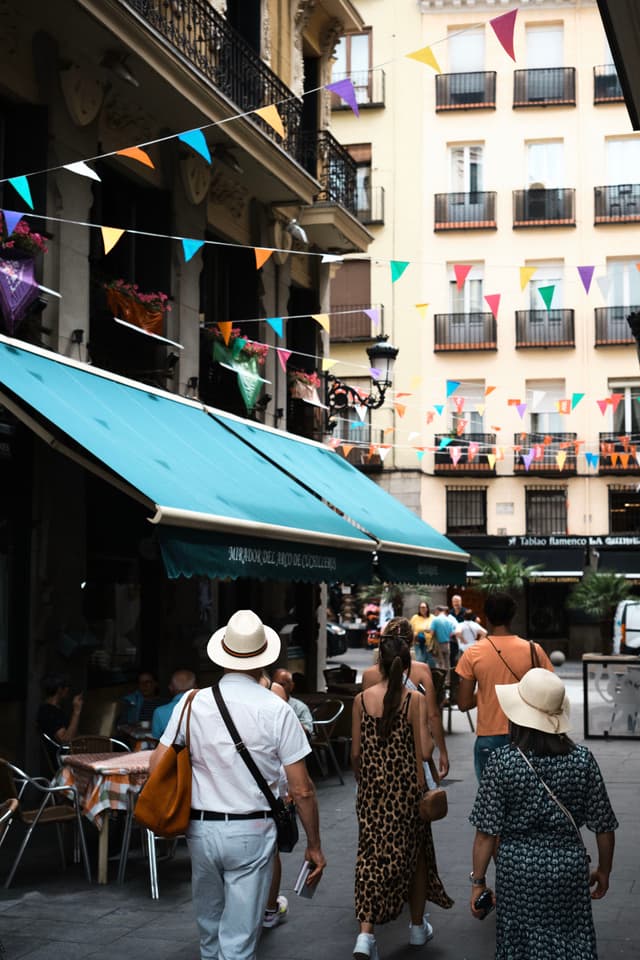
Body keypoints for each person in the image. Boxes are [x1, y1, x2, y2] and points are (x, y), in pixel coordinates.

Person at [151, 610, 326, 960]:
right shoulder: (277, 710)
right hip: (252, 829)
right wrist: (314, 844)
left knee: (210, 933)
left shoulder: (191, 702)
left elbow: (157, 764)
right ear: (262, 660)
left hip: (200, 829)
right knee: (240, 940)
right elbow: (302, 789)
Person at [469, 669, 617, 959]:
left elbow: (486, 833)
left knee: (519, 947)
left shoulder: (502, 762)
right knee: (572, 941)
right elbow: (604, 826)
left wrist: (478, 883)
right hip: (569, 872)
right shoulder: (582, 760)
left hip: (517, 874)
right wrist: (604, 870)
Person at [352, 625, 452, 960]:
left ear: (379, 660)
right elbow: (424, 751)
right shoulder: (415, 700)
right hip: (407, 791)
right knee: (417, 857)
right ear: (407, 662)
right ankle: (416, 928)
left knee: (369, 856)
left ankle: (365, 936)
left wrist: (365, 781)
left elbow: (355, 754)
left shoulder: (360, 700)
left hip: (372, 791)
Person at [455, 591, 553, 781]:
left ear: (486, 617)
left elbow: (464, 703)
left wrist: (487, 691)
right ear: (512, 616)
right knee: (526, 800)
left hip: (489, 738)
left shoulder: (473, 653)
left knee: (492, 802)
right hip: (527, 735)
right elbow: (550, 693)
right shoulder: (533, 650)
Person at [362, 618, 449, 780]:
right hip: (412, 751)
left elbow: (366, 718)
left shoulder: (369, 675)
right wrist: (442, 752)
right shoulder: (422, 670)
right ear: (411, 643)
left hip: (378, 755)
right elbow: (433, 715)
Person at [151, 669, 197, 740]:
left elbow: (155, 739)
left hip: (172, 750)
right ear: (196, 687)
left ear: (170, 688)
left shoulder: (160, 712)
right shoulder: (207, 708)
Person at [37, 673, 83, 744]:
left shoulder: (57, 709)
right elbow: (66, 740)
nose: (68, 689)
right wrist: (77, 711)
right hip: (62, 754)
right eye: (66, 686)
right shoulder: (48, 712)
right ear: (59, 689)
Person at [272, 668, 314, 735]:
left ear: (291, 686)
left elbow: (307, 732)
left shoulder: (300, 707)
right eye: (275, 685)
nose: (277, 688)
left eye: (282, 685)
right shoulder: (266, 705)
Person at [430, 605, 461, 672]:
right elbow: (453, 632)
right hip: (447, 644)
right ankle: (447, 681)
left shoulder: (435, 620)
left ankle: (441, 680)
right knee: (447, 664)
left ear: (438, 611)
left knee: (439, 664)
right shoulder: (449, 620)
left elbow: (431, 633)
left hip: (438, 645)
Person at [409, 601, 435, 666]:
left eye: (423, 607)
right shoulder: (415, 617)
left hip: (431, 645)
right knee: (420, 662)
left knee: (431, 663)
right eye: (420, 608)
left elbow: (436, 629)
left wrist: (430, 630)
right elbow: (409, 629)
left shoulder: (433, 617)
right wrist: (415, 634)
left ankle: (431, 675)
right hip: (419, 643)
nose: (422, 609)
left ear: (427, 608)